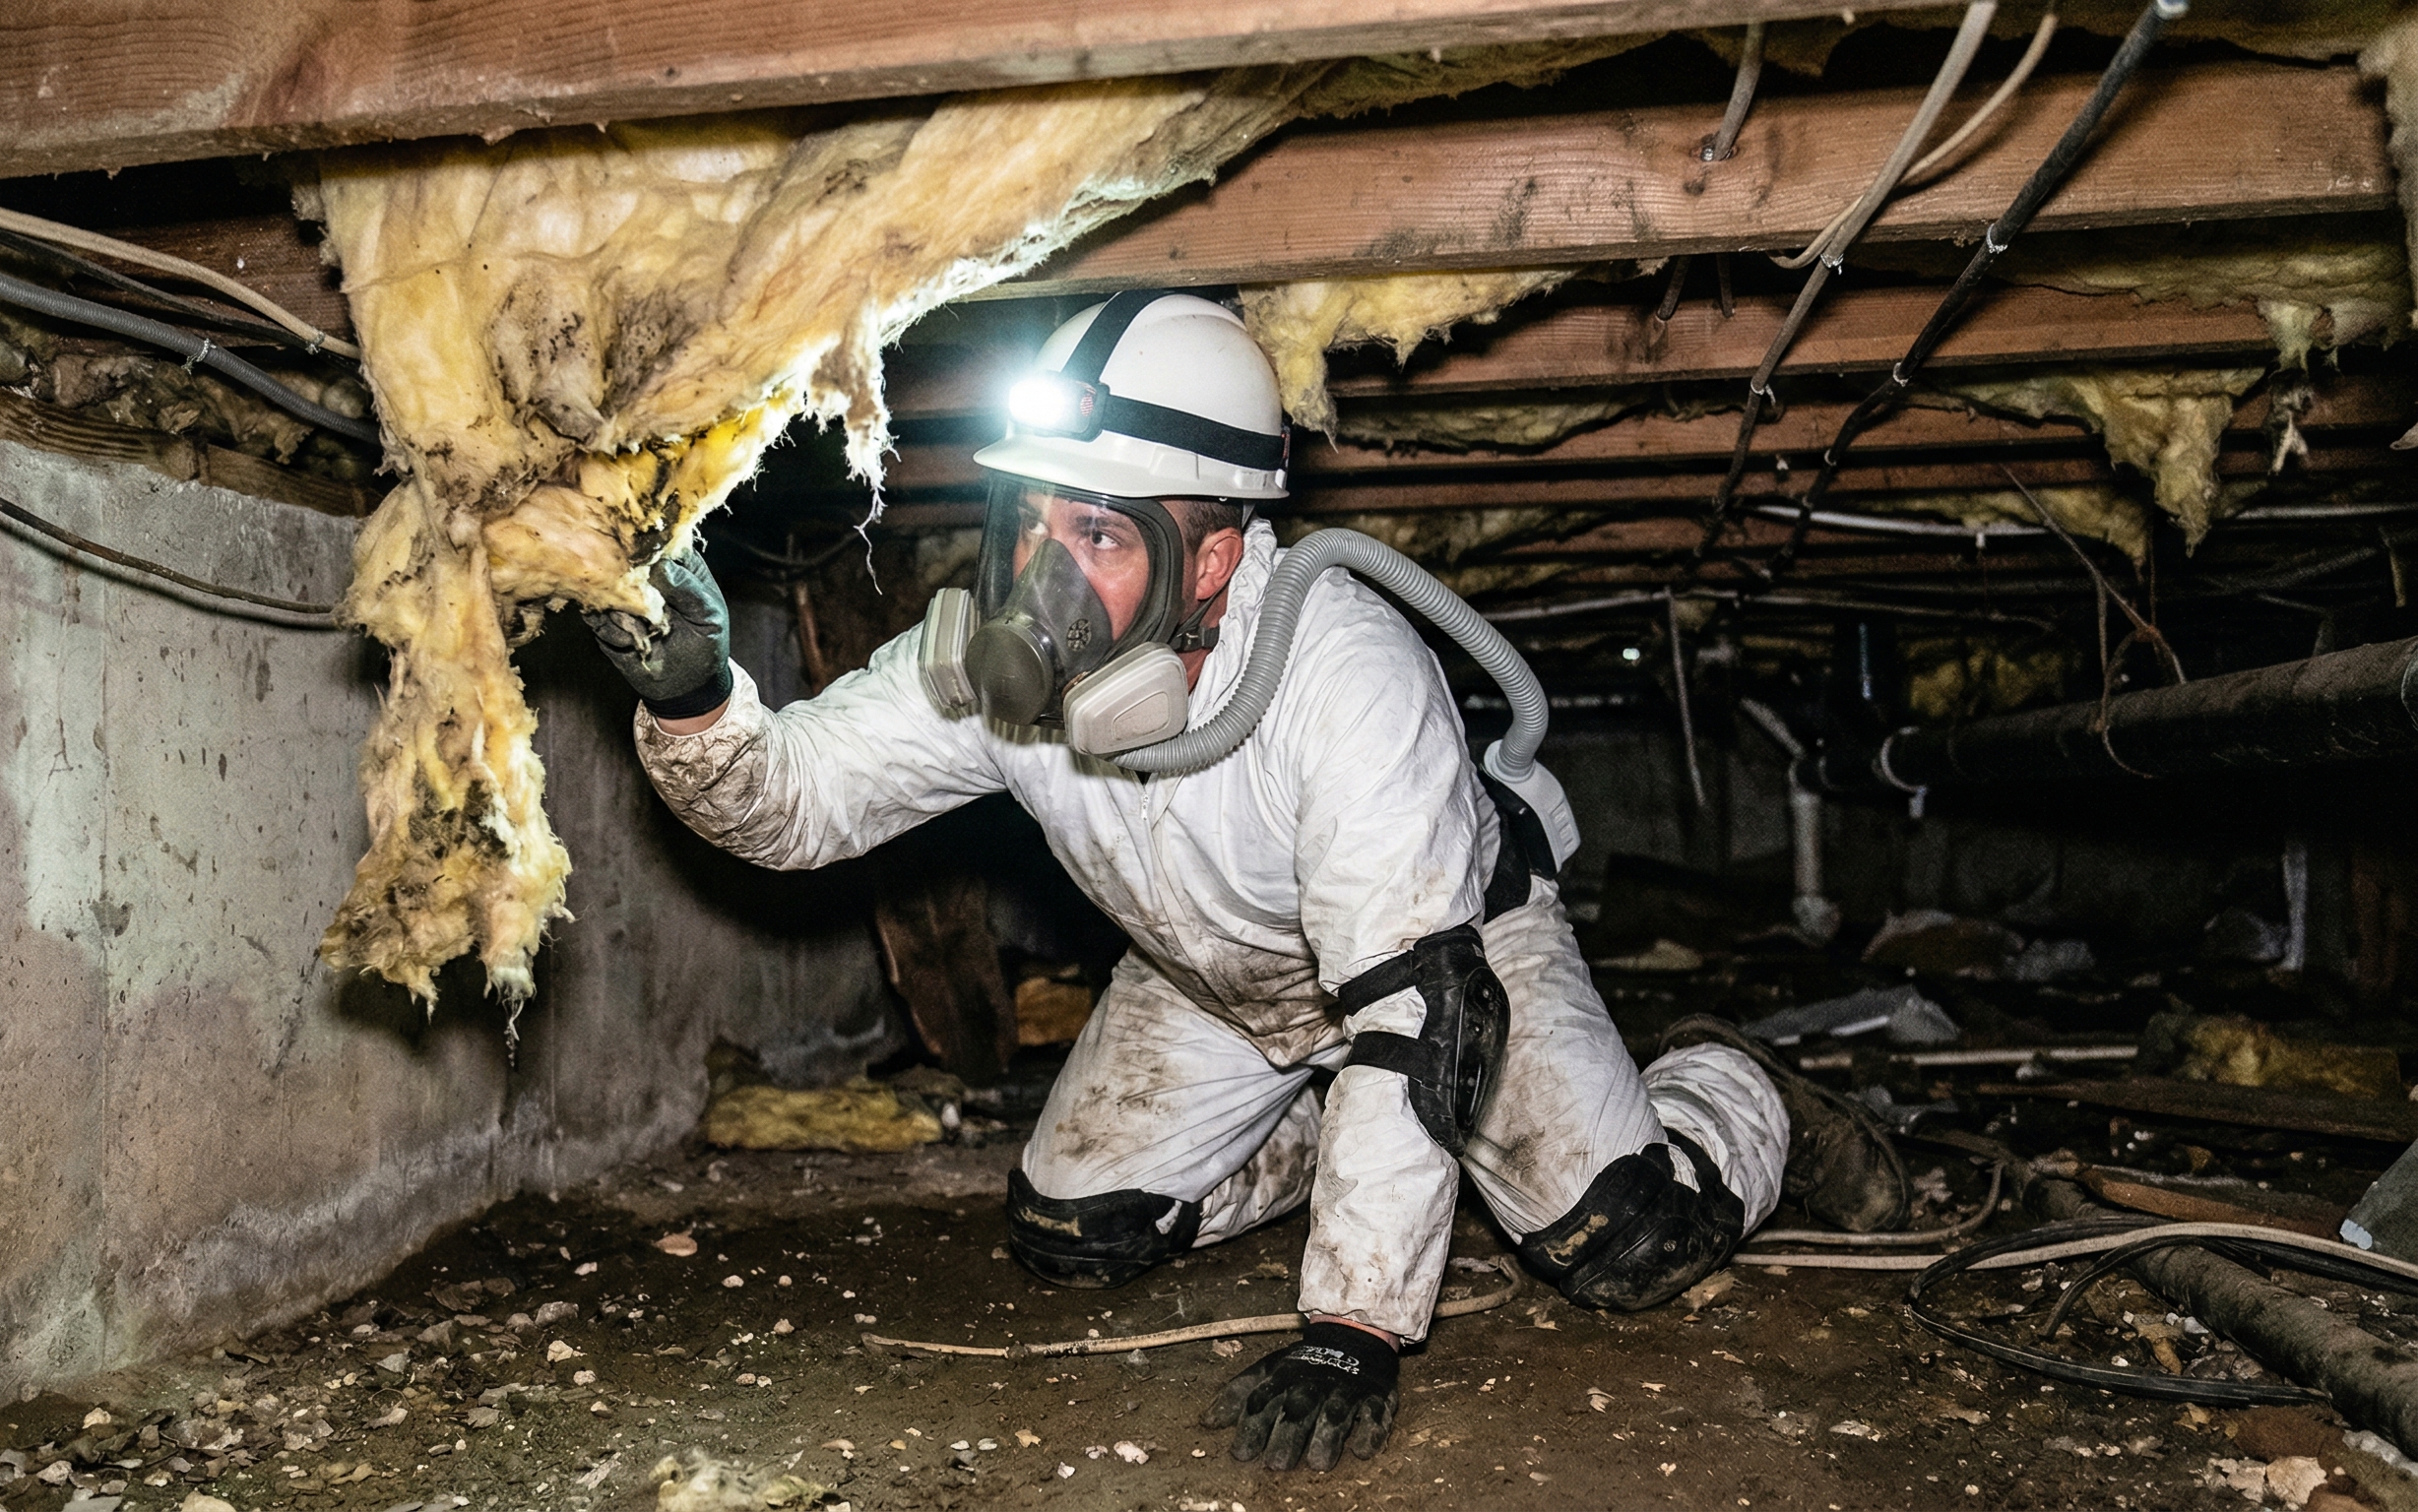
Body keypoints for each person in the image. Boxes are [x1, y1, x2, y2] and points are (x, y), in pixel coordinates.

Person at [590, 291, 1907, 1474]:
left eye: (1097, 535)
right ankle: (1320, 1133)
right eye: (1029, 521)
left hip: (1451, 958)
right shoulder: (999, 672)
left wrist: (1353, 1324)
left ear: (1210, 560)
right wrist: (696, 699)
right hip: (1218, 984)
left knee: (1626, 1247)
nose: (1044, 580)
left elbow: (1416, 1015)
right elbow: (799, 808)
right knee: (1073, 1230)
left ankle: (1735, 1097)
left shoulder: (1343, 673)